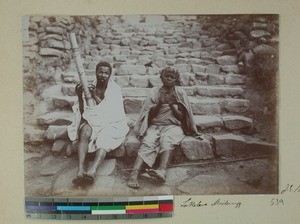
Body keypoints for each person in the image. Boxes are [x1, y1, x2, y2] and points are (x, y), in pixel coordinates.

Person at [127, 67, 201, 188]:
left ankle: (162, 170)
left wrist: (172, 105)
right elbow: (148, 115)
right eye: (166, 76)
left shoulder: (180, 93)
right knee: (148, 142)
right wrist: (160, 103)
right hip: (155, 125)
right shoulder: (154, 92)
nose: (169, 79)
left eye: (172, 77)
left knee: (167, 140)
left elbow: (182, 117)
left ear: (176, 79)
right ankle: (133, 174)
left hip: (172, 126)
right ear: (161, 77)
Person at [67, 61, 129, 186]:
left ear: (110, 75)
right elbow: (84, 110)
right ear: (96, 73)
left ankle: (93, 170)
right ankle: (80, 170)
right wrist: (80, 96)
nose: (103, 75)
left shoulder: (115, 89)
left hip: (111, 121)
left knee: (105, 137)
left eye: (106, 73)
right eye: (100, 72)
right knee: (84, 132)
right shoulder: (89, 87)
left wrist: (94, 96)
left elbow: (113, 112)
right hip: (94, 120)